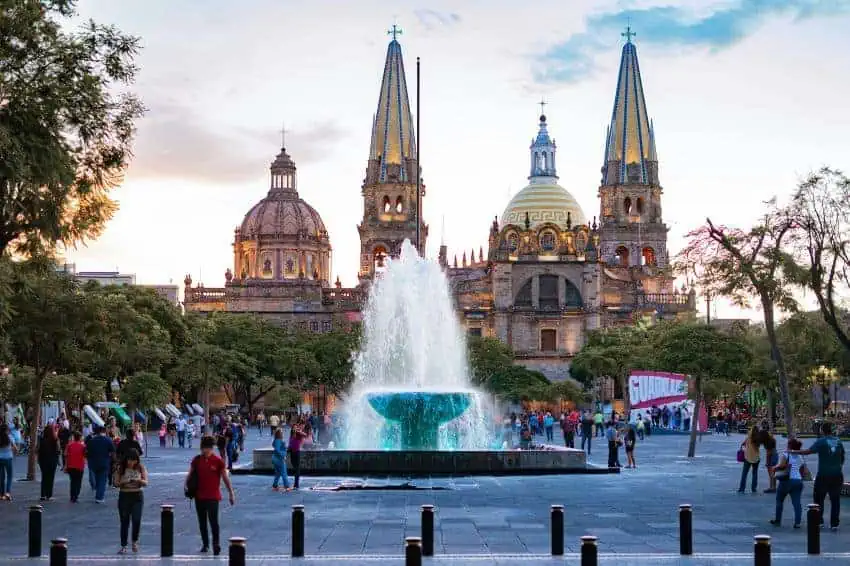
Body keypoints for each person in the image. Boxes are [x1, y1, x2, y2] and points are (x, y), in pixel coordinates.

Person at [186, 436, 236, 555]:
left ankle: (216, 544)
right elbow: (190, 474)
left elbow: (225, 477)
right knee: (202, 522)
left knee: (214, 522)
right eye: (203, 448)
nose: (205, 451)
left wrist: (231, 493)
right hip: (199, 495)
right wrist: (186, 485)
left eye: (208, 448)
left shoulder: (218, 461)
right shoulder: (196, 460)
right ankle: (205, 544)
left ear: (212, 448)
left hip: (213, 496)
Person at [797, 422, 845, 530]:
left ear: (822, 431)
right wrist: (837, 466)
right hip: (837, 474)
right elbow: (842, 457)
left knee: (819, 499)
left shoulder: (821, 441)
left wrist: (794, 451)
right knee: (835, 500)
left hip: (823, 475)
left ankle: (819, 521)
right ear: (831, 430)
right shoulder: (838, 441)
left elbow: (808, 451)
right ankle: (834, 524)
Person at [114, 448, 147, 553]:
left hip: (137, 495)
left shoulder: (140, 467)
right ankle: (123, 545)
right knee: (124, 521)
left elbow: (146, 482)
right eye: (129, 460)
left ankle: (134, 541)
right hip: (124, 495)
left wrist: (139, 480)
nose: (131, 462)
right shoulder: (121, 468)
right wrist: (123, 482)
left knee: (136, 520)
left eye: (134, 460)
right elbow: (116, 483)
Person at [770, 438, 807, 528]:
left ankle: (778, 520)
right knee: (797, 502)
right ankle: (797, 522)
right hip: (797, 480)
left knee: (780, 500)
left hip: (786, 480)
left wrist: (775, 468)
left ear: (789, 446)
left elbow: (782, 465)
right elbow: (804, 471)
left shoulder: (786, 454)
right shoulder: (800, 455)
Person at [86, 425, 116, 503]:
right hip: (104, 462)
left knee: (97, 478)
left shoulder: (91, 441)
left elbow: (87, 451)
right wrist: (114, 461)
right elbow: (113, 451)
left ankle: (97, 491)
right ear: (104, 431)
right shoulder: (108, 440)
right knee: (102, 479)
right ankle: (99, 497)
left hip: (94, 463)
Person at [37, 424, 60, 501]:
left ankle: (43, 494)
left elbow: (38, 450)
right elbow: (58, 450)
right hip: (52, 460)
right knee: (51, 477)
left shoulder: (41, 439)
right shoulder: (55, 439)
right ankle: (49, 495)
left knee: (44, 477)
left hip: (43, 460)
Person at [64, 431, 86, 503]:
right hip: (80, 466)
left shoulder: (69, 445)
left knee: (72, 481)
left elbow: (65, 455)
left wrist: (65, 465)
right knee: (78, 482)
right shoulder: (83, 446)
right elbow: (85, 455)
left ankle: (72, 496)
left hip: (71, 465)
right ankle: (75, 496)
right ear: (80, 438)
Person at [738, 426, 761, 494]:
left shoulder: (748, 438)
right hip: (756, 458)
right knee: (755, 474)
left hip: (747, 457)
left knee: (744, 474)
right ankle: (753, 488)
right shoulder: (758, 438)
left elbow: (743, 444)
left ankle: (742, 488)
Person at [0, 423, 17, 501]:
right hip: (8, 458)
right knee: (9, 476)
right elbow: (15, 448)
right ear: (7, 430)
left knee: (1, 477)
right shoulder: (10, 437)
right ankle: (8, 493)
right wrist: (13, 452)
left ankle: (1, 494)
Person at [289, 424, 307, 490]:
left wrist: (299, 431)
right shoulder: (291, 434)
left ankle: (296, 484)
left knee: (297, 468)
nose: (294, 429)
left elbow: (305, 435)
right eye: (293, 427)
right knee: (294, 466)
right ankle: (296, 483)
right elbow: (290, 442)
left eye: (296, 428)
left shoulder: (298, 434)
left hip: (296, 452)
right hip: (291, 452)